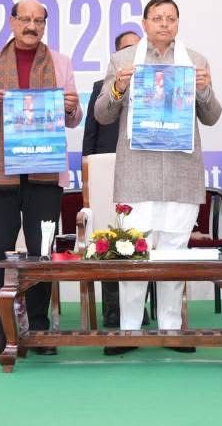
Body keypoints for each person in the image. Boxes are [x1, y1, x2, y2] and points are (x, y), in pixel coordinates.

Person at [94, 0, 220, 354]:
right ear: (145, 23)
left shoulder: (195, 61)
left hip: (181, 171)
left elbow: (212, 116)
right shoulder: (122, 61)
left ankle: (171, 328)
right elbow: (102, 114)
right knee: (132, 250)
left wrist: (203, 89)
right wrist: (118, 88)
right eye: (157, 18)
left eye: (171, 18)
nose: (164, 24)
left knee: (173, 252)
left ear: (178, 23)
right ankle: (129, 330)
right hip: (137, 171)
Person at [0, 0, 82, 356]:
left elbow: (74, 119)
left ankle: (39, 329)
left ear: (45, 25)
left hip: (45, 174)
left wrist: (71, 108)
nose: (31, 26)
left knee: (41, 254)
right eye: (25, 19)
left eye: (38, 21)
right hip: (1, 174)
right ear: (12, 22)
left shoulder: (61, 63)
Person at [82, 30, 141, 328]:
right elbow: (90, 135)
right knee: (111, 240)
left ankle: (139, 309)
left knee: (139, 240)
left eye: (137, 48)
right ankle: (113, 309)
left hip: (141, 171)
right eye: (127, 50)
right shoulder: (101, 87)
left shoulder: (155, 84)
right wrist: (88, 175)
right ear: (117, 56)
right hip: (109, 172)